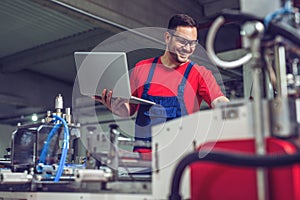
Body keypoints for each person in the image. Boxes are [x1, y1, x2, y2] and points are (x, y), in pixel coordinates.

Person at [95, 13, 229, 145]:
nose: (188, 49)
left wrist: (233, 109)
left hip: (179, 157)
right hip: (144, 156)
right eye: (182, 41)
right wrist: (116, 107)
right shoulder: (142, 68)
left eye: (193, 43)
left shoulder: (200, 73)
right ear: (167, 37)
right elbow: (129, 110)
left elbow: (218, 100)